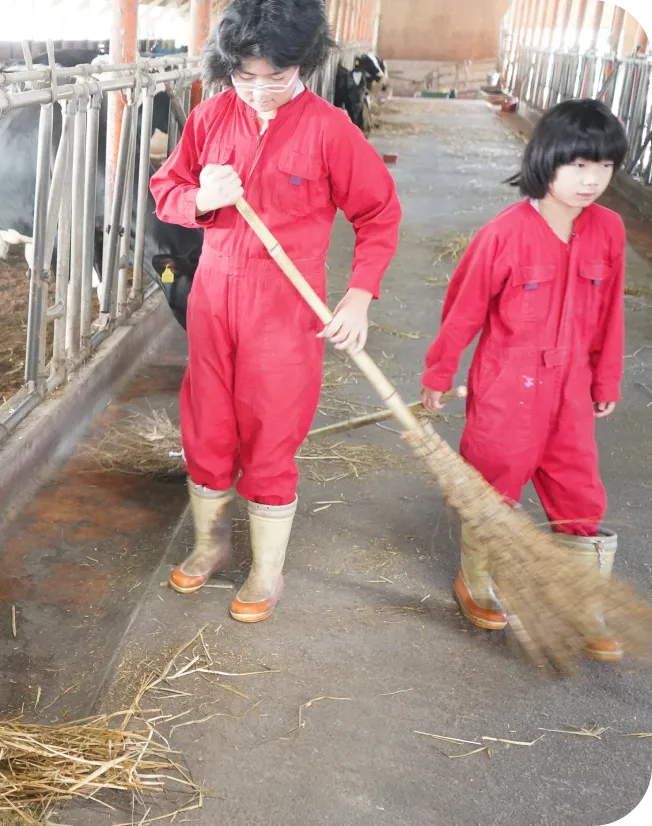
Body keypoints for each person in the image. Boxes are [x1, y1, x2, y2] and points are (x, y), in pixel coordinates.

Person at [149, 0, 402, 623]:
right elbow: (166, 191)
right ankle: (210, 542)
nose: (261, 91)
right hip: (213, 295)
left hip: (287, 307)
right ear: (226, 67)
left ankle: (266, 569)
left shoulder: (332, 130)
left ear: (306, 66)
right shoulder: (209, 118)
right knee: (205, 421)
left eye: (278, 76)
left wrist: (360, 293)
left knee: (272, 426)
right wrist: (202, 197)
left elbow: (378, 214)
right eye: (246, 76)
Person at [421, 98, 628, 661]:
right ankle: (478, 582)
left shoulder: (608, 231)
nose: (592, 181)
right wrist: (439, 374)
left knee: (580, 492)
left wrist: (605, 380)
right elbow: (463, 310)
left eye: (605, 168)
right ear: (546, 160)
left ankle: (583, 603)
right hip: (507, 387)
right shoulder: (505, 234)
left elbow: (610, 311)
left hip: (572, 390)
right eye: (579, 166)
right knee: (493, 483)